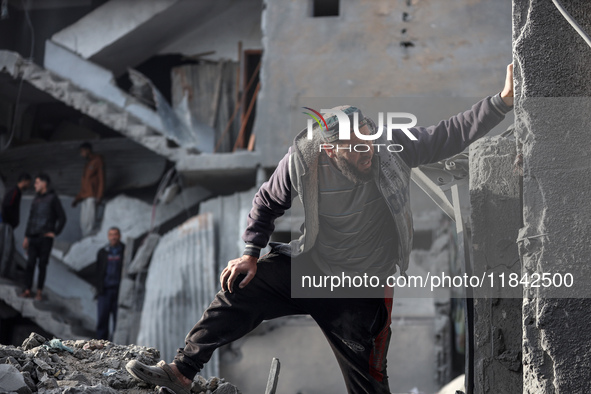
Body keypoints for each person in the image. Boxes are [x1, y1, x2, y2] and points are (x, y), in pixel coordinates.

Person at [126, 64, 515, 394]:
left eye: (368, 141)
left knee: (369, 379)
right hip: (312, 267)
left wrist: (502, 101)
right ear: (330, 150)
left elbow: (449, 133)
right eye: (355, 147)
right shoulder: (303, 160)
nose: (367, 152)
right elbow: (266, 202)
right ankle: (181, 373)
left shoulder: (391, 146)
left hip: (363, 287)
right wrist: (249, 254)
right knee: (240, 288)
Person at [22, 173, 66, 301]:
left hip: (45, 238)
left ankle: (39, 292)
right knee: (30, 263)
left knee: (42, 265)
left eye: (37, 182)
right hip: (33, 237)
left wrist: (55, 232)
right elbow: (31, 219)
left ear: (44, 183)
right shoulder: (35, 200)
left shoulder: (53, 198)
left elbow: (62, 218)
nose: (34, 185)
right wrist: (26, 237)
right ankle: (27, 290)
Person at [95, 227, 125, 340]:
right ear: (108, 236)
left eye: (115, 234)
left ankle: (117, 344)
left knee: (118, 321)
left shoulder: (125, 251)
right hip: (105, 291)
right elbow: (98, 272)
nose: (113, 237)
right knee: (102, 319)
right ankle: (100, 343)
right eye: (111, 234)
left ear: (119, 236)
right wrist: (98, 288)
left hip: (119, 291)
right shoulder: (103, 252)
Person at [0, 173, 32, 277]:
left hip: (8, 225)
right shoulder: (14, 191)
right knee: (5, 248)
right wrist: (8, 221)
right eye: (28, 182)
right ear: (24, 181)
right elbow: (6, 205)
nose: (29, 185)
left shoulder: (16, 192)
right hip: (7, 225)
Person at [72, 142, 104, 237]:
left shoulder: (97, 161)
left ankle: (88, 241)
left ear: (87, 150)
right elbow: (84, 184)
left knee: (89, 222)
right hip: (84, 196)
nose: (81, 154)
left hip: (92, 195)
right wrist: (77, 199)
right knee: (83, 222)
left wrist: (99, 195)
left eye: (82, 151)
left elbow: (101, 179)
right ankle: (84, 242)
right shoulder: (87, 164)